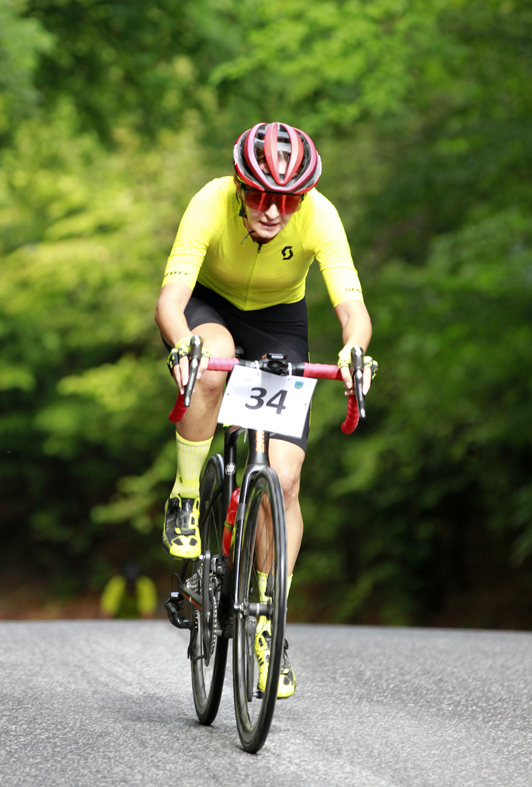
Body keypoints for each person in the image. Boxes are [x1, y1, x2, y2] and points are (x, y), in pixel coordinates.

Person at [155, 122, 375, 698]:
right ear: (239, 185)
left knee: (285, 476)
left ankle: (269, 621)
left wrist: (353, 350)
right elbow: (170, 301)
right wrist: (184, 346)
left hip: (280, 323)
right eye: (259, 196)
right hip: (210, 308)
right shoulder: (209, 201)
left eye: (289, 200)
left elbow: (352, 307)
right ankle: (186, 495)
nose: (274, 211)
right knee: (213, 365)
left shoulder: (320, 215)